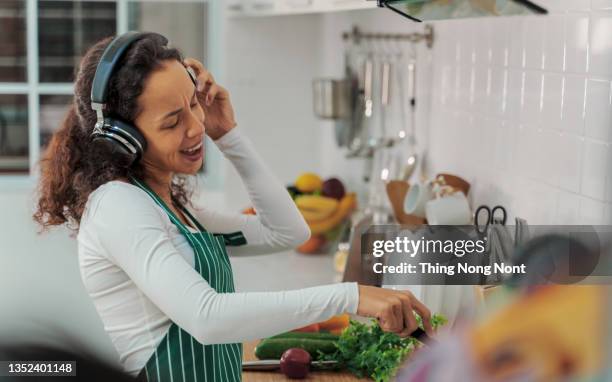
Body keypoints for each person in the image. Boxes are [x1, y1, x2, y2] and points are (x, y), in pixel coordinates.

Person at [33, 32, 432, 381]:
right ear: (122, 138)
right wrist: (350, 296)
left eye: (194, 105)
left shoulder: (170, 206)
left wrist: (229, 135)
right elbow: (206, 317)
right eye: (172, 122)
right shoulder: (119, 206)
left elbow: (287, 231)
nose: (196, 127)